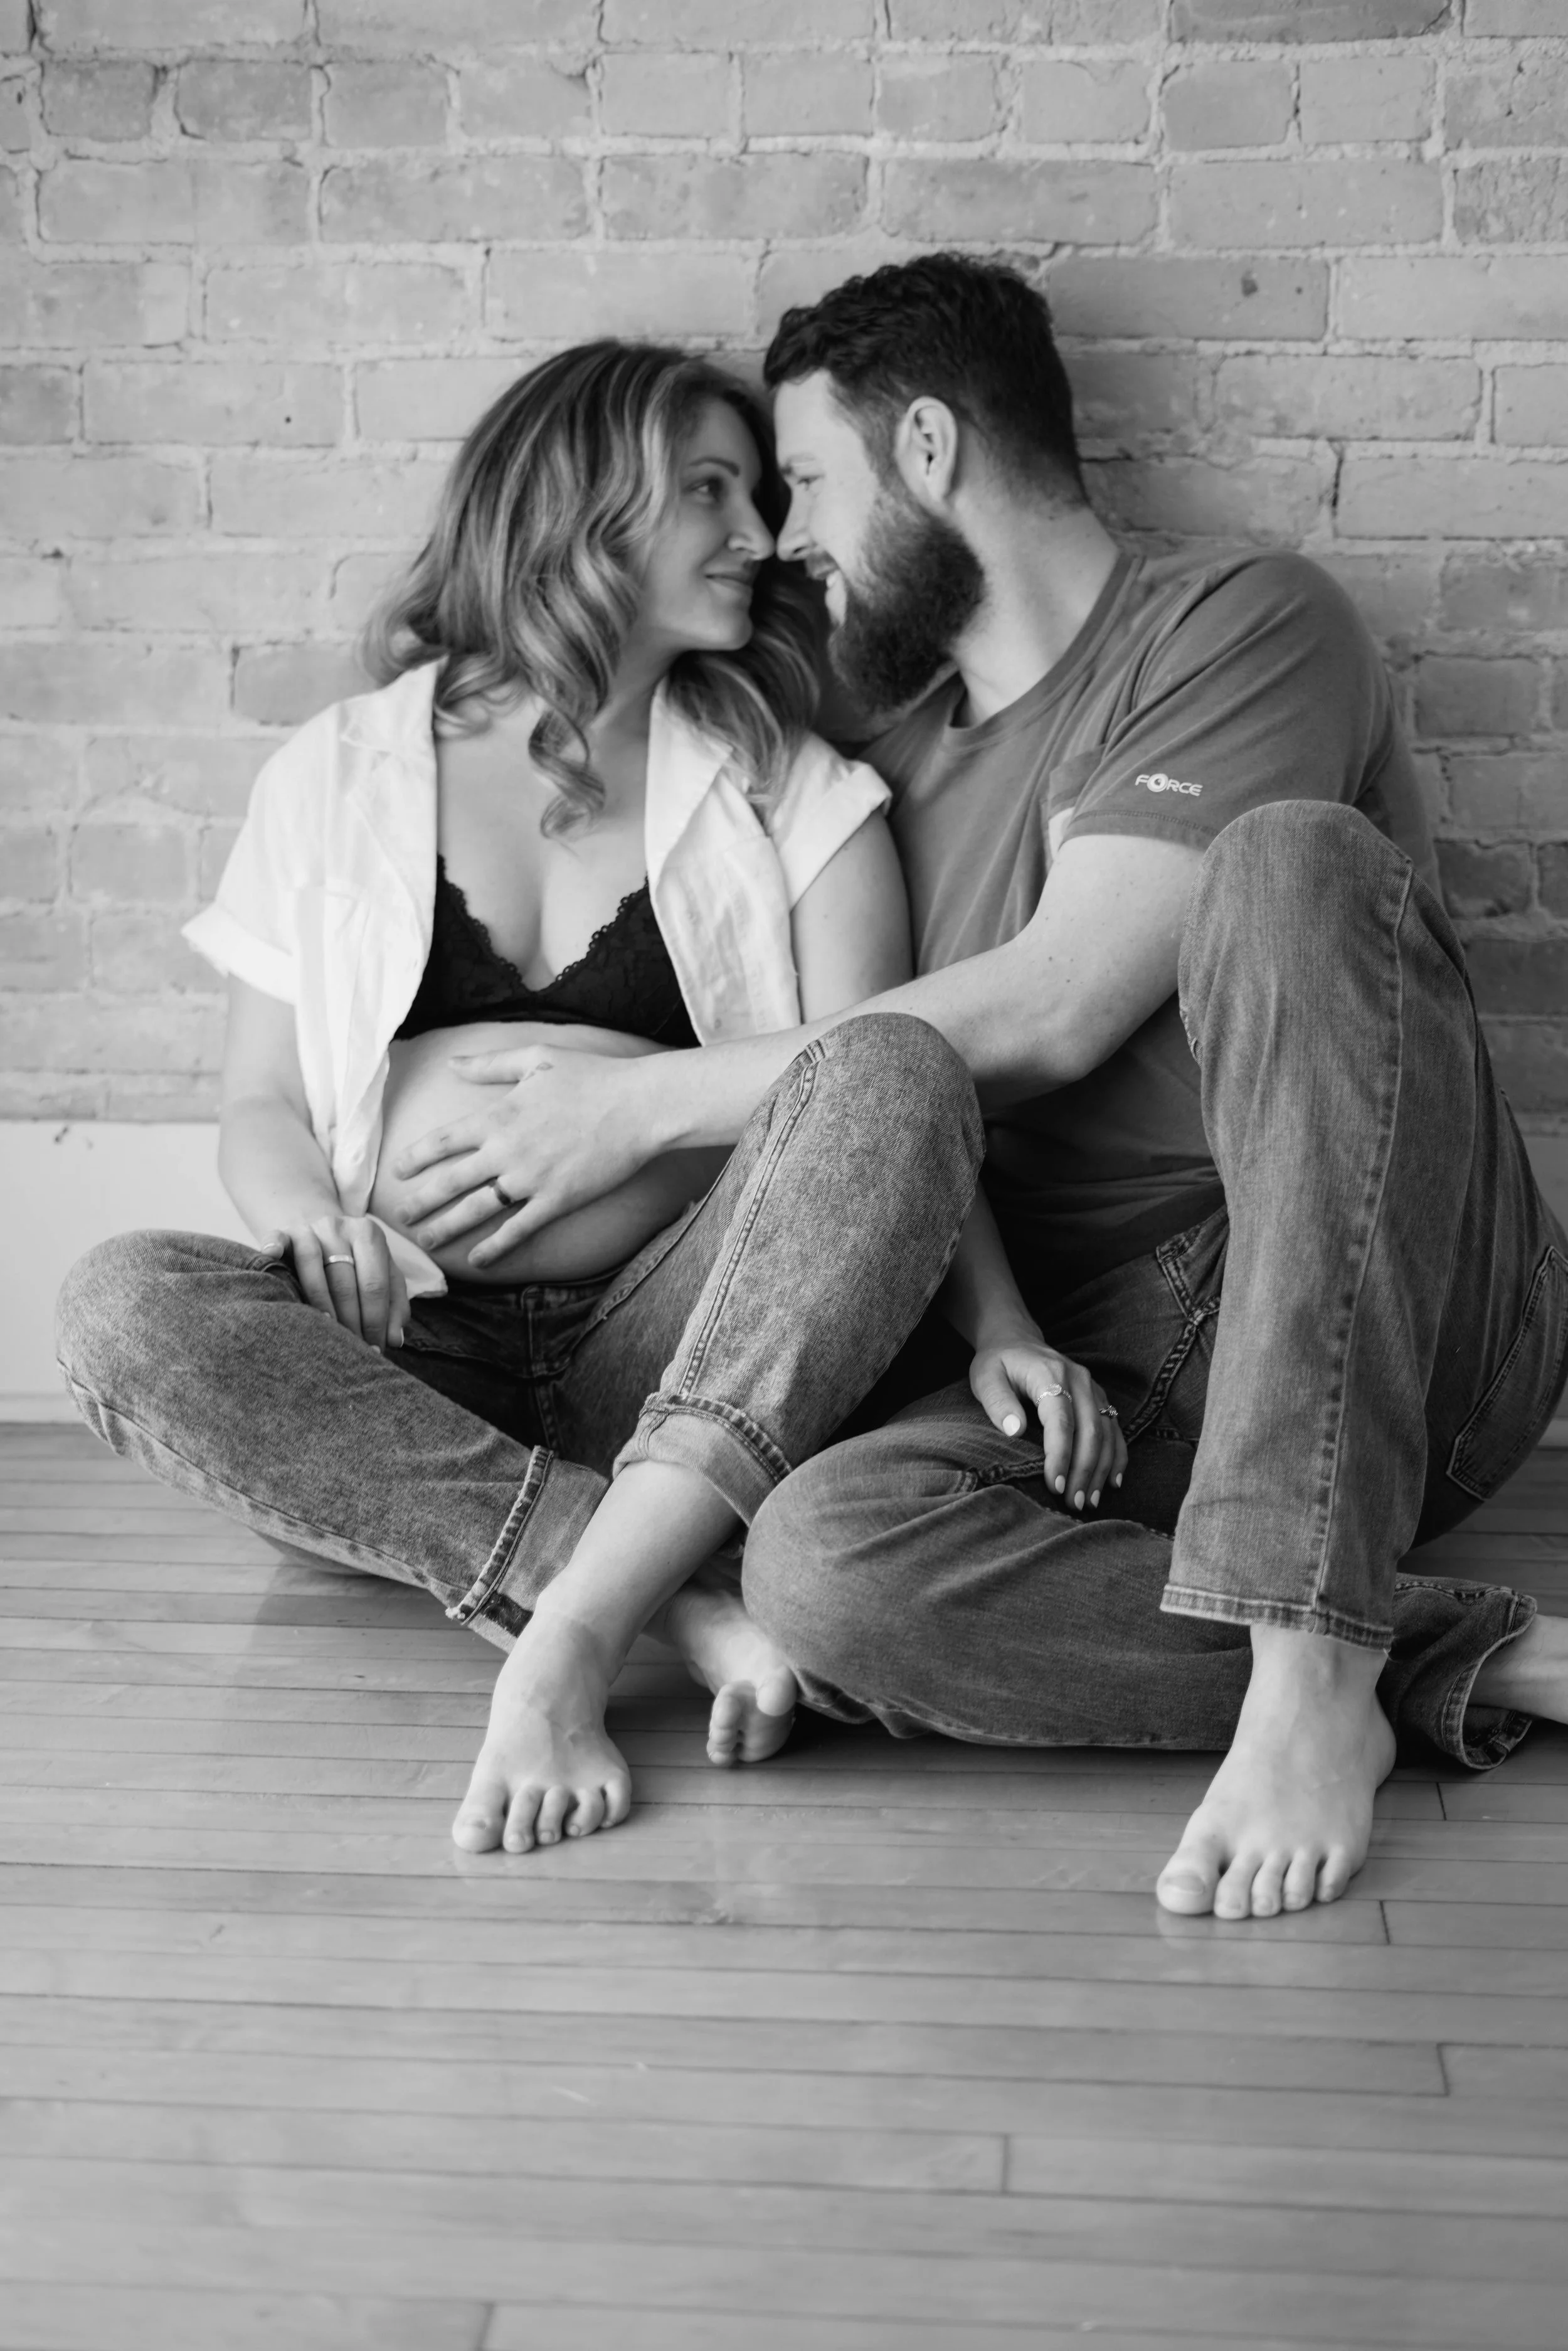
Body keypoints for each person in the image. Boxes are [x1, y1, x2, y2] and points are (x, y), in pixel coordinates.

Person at [383, 257, 1568, 1923]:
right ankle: (1466, 1657)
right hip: (1103, 1373)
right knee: (817, 1566)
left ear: (926, 448)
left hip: (1387, 1305)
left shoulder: (1239, 618)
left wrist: (635, 1106)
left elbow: (1062, 1003)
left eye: (801, 484)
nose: (784, 539)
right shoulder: (886, 756)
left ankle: (1310, 1670)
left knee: (1288, 866)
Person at [55, 339, 1121, 1859]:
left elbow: (882, 1104)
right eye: (707, 491)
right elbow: (258, 1106)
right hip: (413, 1358)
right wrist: (310, 1228)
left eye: (762, 494)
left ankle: (566, 1623)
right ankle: (659, 1590)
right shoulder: (332, 775)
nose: (759, 536)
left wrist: (1002, 1324)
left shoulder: (790, 785)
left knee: (887, 1052)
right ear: (569, 503)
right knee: (115, 1302)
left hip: (691, 1351)